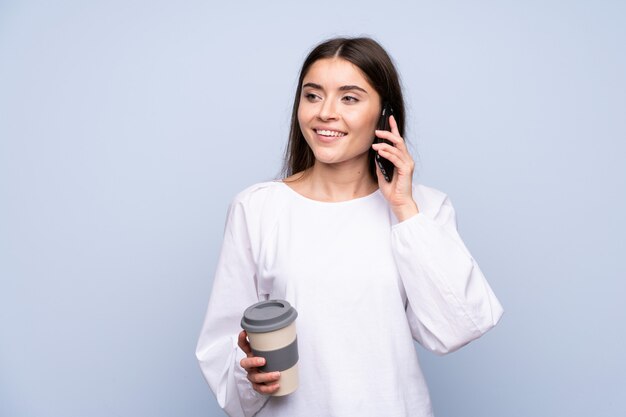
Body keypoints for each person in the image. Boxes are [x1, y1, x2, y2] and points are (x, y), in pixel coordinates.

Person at [196, 37, 503, 417]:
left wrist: (403, 206)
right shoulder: (256, 208)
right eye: (312, 96)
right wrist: (250, 377)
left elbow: (458, 326)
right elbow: (225, 355)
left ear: (384, 113)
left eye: (349, 98)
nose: (325, 112)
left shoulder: (423, 209)